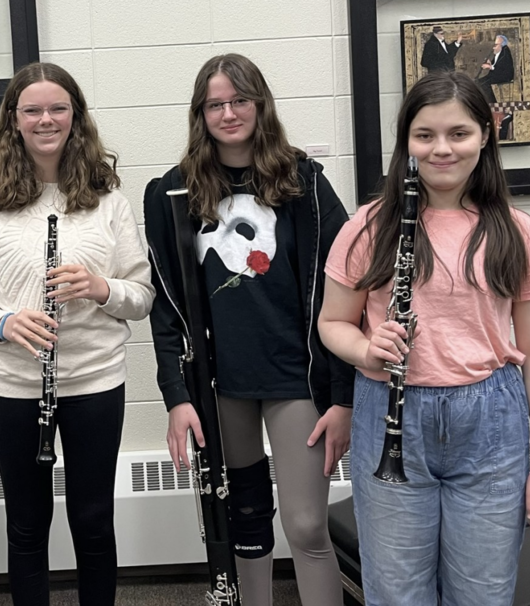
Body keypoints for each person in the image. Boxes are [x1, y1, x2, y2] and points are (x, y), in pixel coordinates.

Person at [318, 70, 530, 606]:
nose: (441, 149)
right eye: (425, 135)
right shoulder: (369, 225)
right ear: (406, 141)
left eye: (459, 133)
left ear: (485, 136)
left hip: (491, 419)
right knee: (396, 591)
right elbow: (331, 323)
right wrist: (366, 348)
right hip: (389, 409)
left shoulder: (515, 230)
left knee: (483, 592)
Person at [0, 62, 154, 606]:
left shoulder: (109, 201)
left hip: (95, 383)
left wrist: (101, 288)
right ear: (14, 119)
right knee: (27, 526)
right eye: (32, 109)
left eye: (57, 107)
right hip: (13, 386)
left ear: (75, 115)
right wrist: (4, 322)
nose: (45, 119)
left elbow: (143, 296)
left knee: (93, 521)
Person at [144, 53, 354, 606]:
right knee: (246, 522)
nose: (229, 113)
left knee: (306, 526)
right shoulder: (171, 192)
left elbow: (348, 286)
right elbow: (165, 308)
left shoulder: (303, 181)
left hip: (296, 376)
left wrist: (344, 397)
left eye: (239, 100)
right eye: (215, 104)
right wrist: (175, 396)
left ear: (259, 104)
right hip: (221, 384)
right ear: (200, 113)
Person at [477, 34, 516, 104]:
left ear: (502, 45)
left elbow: (501, 66)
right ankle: (485, 101)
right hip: (496, 74)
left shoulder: (505, 52)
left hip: (504, 76)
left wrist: (490, 67)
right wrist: (490, 64)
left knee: (484, 84)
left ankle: (493, 103)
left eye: (496, 45)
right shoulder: (500, 52)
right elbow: (496, 64)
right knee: (478, 82)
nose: (494, 47)